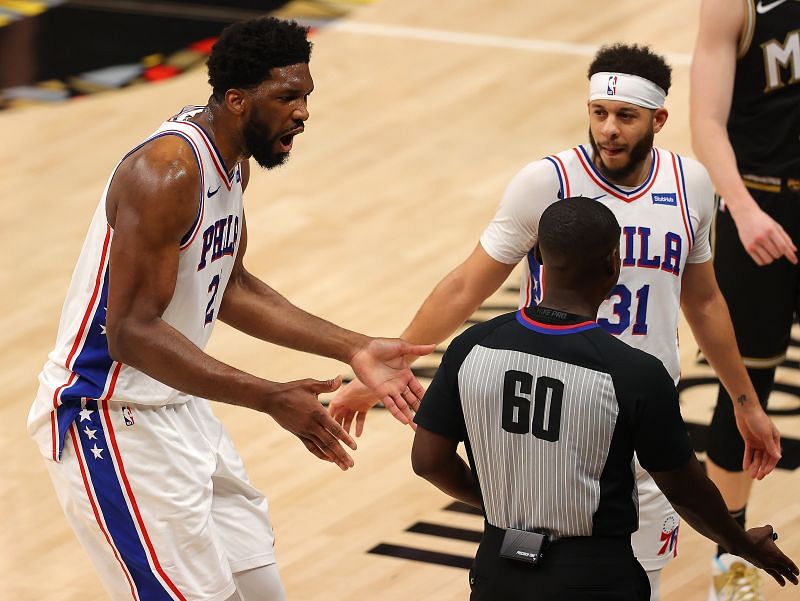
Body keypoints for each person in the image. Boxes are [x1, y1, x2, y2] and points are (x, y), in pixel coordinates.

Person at [330, 43, 781, 600]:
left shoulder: (691, 184)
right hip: (561, 415)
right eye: (598, 113)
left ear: (659, 119)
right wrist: (388, 365)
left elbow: (705, 301)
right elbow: (466, 284)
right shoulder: (545, 183)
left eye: (625, 116)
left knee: (643, 580)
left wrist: (745, 402)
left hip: (645, 408)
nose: (609, 129)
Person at [26, 17, 432, 601]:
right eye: (287, 97)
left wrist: (354, 346)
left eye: (306, 96)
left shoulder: (231, 159)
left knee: (262, 589)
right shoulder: (165, 174)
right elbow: (131, 333)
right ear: (238, 100)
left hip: (176, 406)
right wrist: (268, 396)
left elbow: (231, 284)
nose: (303, 112)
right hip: (107, 415)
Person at [410, 197, 798, 601]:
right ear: (614, 264)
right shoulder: (635, 374)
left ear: (538, 255)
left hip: (498, 569)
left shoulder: (471, 347)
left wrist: (497, 508)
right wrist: (739, 542)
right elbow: (686, 491)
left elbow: (427, 461)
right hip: (594, 578)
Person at [690, 0, 800, 598]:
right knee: (745, 393)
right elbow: (706, 120)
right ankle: (732, 554)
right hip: (759, 210)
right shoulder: (735, 4)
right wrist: (746, 208)